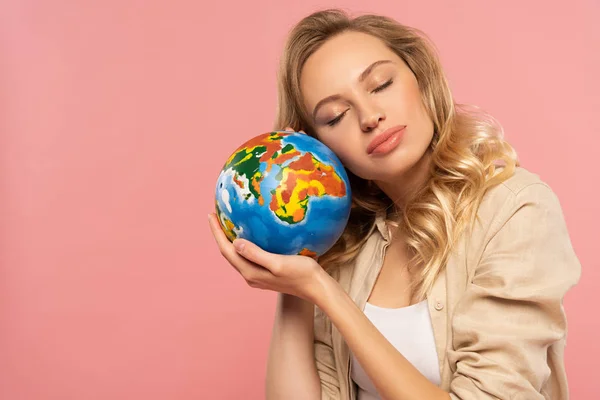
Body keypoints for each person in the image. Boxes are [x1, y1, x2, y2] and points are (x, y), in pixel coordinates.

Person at [207, 8, 581, 400]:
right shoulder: (346, 241)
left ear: (421, 78)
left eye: (381, 84)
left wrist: (325, 292)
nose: (370, 117)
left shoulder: (516, 210)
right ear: (318, 147)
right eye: (335, 117)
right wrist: (297, 272)